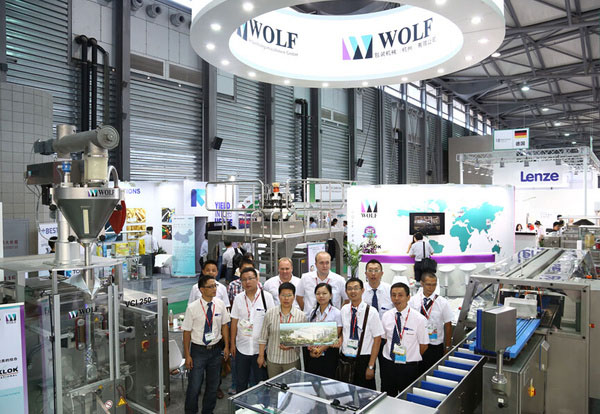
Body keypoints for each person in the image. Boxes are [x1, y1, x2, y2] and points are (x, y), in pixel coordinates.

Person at [182, 275, 230, 414]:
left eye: (215, 286)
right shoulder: (192, 308)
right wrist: (187, 355)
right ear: (201, 289)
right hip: (198, 351)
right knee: (195, 386)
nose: (214, 289)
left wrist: (226, 346)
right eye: (210, 286)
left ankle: (208, 411)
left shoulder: (220, 304)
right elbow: (186, 333)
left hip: (215, 350)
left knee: (213, 386)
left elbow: (224, 326)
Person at [230, 267, 274, 392]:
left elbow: (272, 321)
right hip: (241, 347)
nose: (247, 282)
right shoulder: (238, 298)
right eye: (244, 280)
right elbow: (234, 321)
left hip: (260, 349)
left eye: (250, 278)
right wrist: (232, 343)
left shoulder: (267, 297)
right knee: (241, 382)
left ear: (257, 279)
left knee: (261, 383)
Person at [381, 282, 428, 397]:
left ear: (408, 297)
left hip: (408, 367)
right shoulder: (386, 316)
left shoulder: (419, 319)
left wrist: (410, 356)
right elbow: (385, 339)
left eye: (400, 295)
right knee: (388, 396)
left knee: (407, 397)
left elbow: (424, 345)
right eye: (393, 295)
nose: (396, 298)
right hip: (389, 364)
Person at [339, 278, 383, 390]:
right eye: (349, 289)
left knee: (365, 394)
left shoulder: (372, 311)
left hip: (364, 359)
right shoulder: (344, 310)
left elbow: (377, 339)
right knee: (346, 393)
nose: (353, 291)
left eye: (356, 288)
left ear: (362, 290)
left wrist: (371, 366)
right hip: (346, 358)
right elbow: (344, 331)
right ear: (346, 291)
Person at [258, 282, 307, 377]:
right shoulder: (270, 313)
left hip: (291, 359)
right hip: (273, 359)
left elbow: (304, 339)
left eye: (289, 295)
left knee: (291, 385)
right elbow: (263, 337)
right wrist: (261, 356)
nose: (286, 298)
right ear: (279, 296)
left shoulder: (301, 316)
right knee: (274, 385)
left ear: (294, 297)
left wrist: (292, 345)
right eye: (283, 295)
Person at [408, 272, 453, 375]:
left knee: (432, 373)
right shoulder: (413, 301)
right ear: (422, 283)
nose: (431, 288)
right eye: (428, 284)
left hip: (434, 345)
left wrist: (447, 347)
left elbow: (448, 325)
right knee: (416, 372)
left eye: (434, 285)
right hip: (417, 343)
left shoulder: (442, 302)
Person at [303, 283, 342, 379]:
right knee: (313, 380)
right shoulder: (313, 312)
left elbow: (336, 334)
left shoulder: (336, 313)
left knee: (328, 381)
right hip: (314, 351)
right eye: (318, 293)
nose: (321, 296)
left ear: (330, 295)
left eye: (324, 293)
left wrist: (321, 349)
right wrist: (312, 349)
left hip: (329, 352)